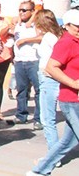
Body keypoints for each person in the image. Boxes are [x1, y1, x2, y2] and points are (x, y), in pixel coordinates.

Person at [27, 10, 79, 176]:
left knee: (69, 140)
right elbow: (51, 67)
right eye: (77, 26)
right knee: (49, 121)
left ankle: (40, 170)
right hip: (71, 99)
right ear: (68, 25)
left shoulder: (76, 41)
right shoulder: (66, 42)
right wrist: (73, 83)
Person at [9, 0, 42, 128]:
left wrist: (26, 40)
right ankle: (21, 115)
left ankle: (38, 118)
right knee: (21, 90)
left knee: (38, 90)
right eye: (20, 10)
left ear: (32, 12)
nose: (21, 13)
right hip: (19, 61)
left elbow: (42, 37)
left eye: (24, 10)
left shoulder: (37, 24)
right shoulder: (18, 24)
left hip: (33, 61)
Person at [33, 9, 63, 152]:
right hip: (50, 77)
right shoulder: (56, 35)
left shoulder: (49, 37)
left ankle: (53, 153)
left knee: (47, 119)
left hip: (48, 78)